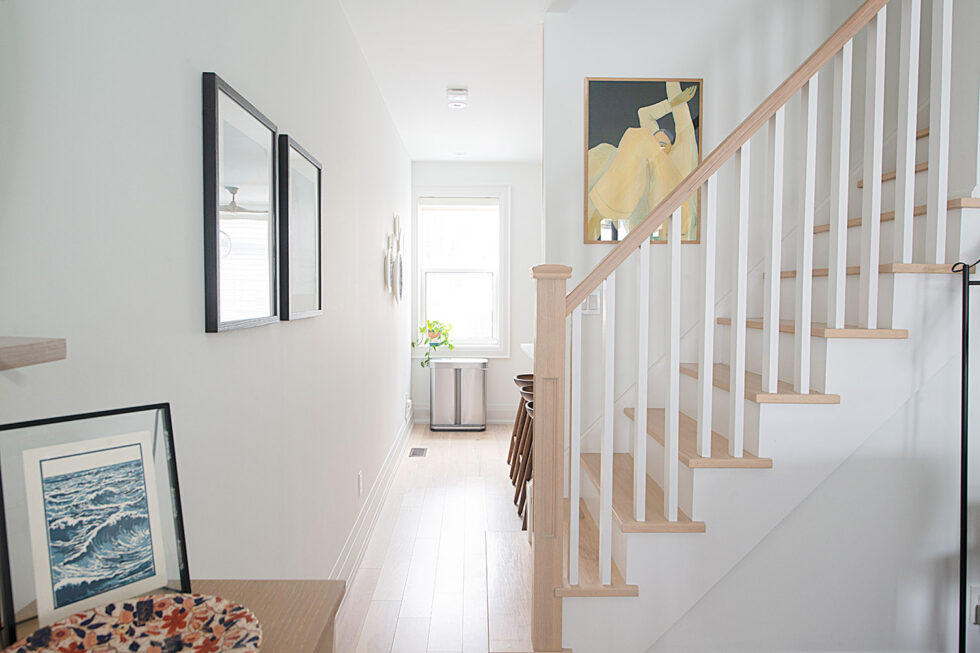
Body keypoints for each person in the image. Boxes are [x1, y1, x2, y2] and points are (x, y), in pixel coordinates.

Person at [587, 82, 699, 241]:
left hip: (679, 215)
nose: (657, 148)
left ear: (671, 146)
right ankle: (606, 208)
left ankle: (607, 205)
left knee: (638, 137)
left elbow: (679, 120)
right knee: (619, 148)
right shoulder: (649, 165)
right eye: (655, 144)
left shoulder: (680, 155)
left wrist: (677, 99)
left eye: (662, 144)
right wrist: (671, 103)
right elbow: (643, 114)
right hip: (649, 217)